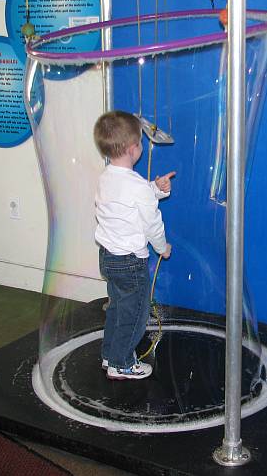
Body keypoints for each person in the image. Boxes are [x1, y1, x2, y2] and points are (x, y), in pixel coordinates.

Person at [93, 110, 175, 380]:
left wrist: (156, 188)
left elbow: (129, 199)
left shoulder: (107, 177)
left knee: (117, 309)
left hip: (108, 258)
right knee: (136, 315)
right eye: (140, 142)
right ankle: (122, 363)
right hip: (130, 262)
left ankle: (109, 355)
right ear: (133, 149)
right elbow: (152, 224)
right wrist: (162, 247)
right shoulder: (136, 187)